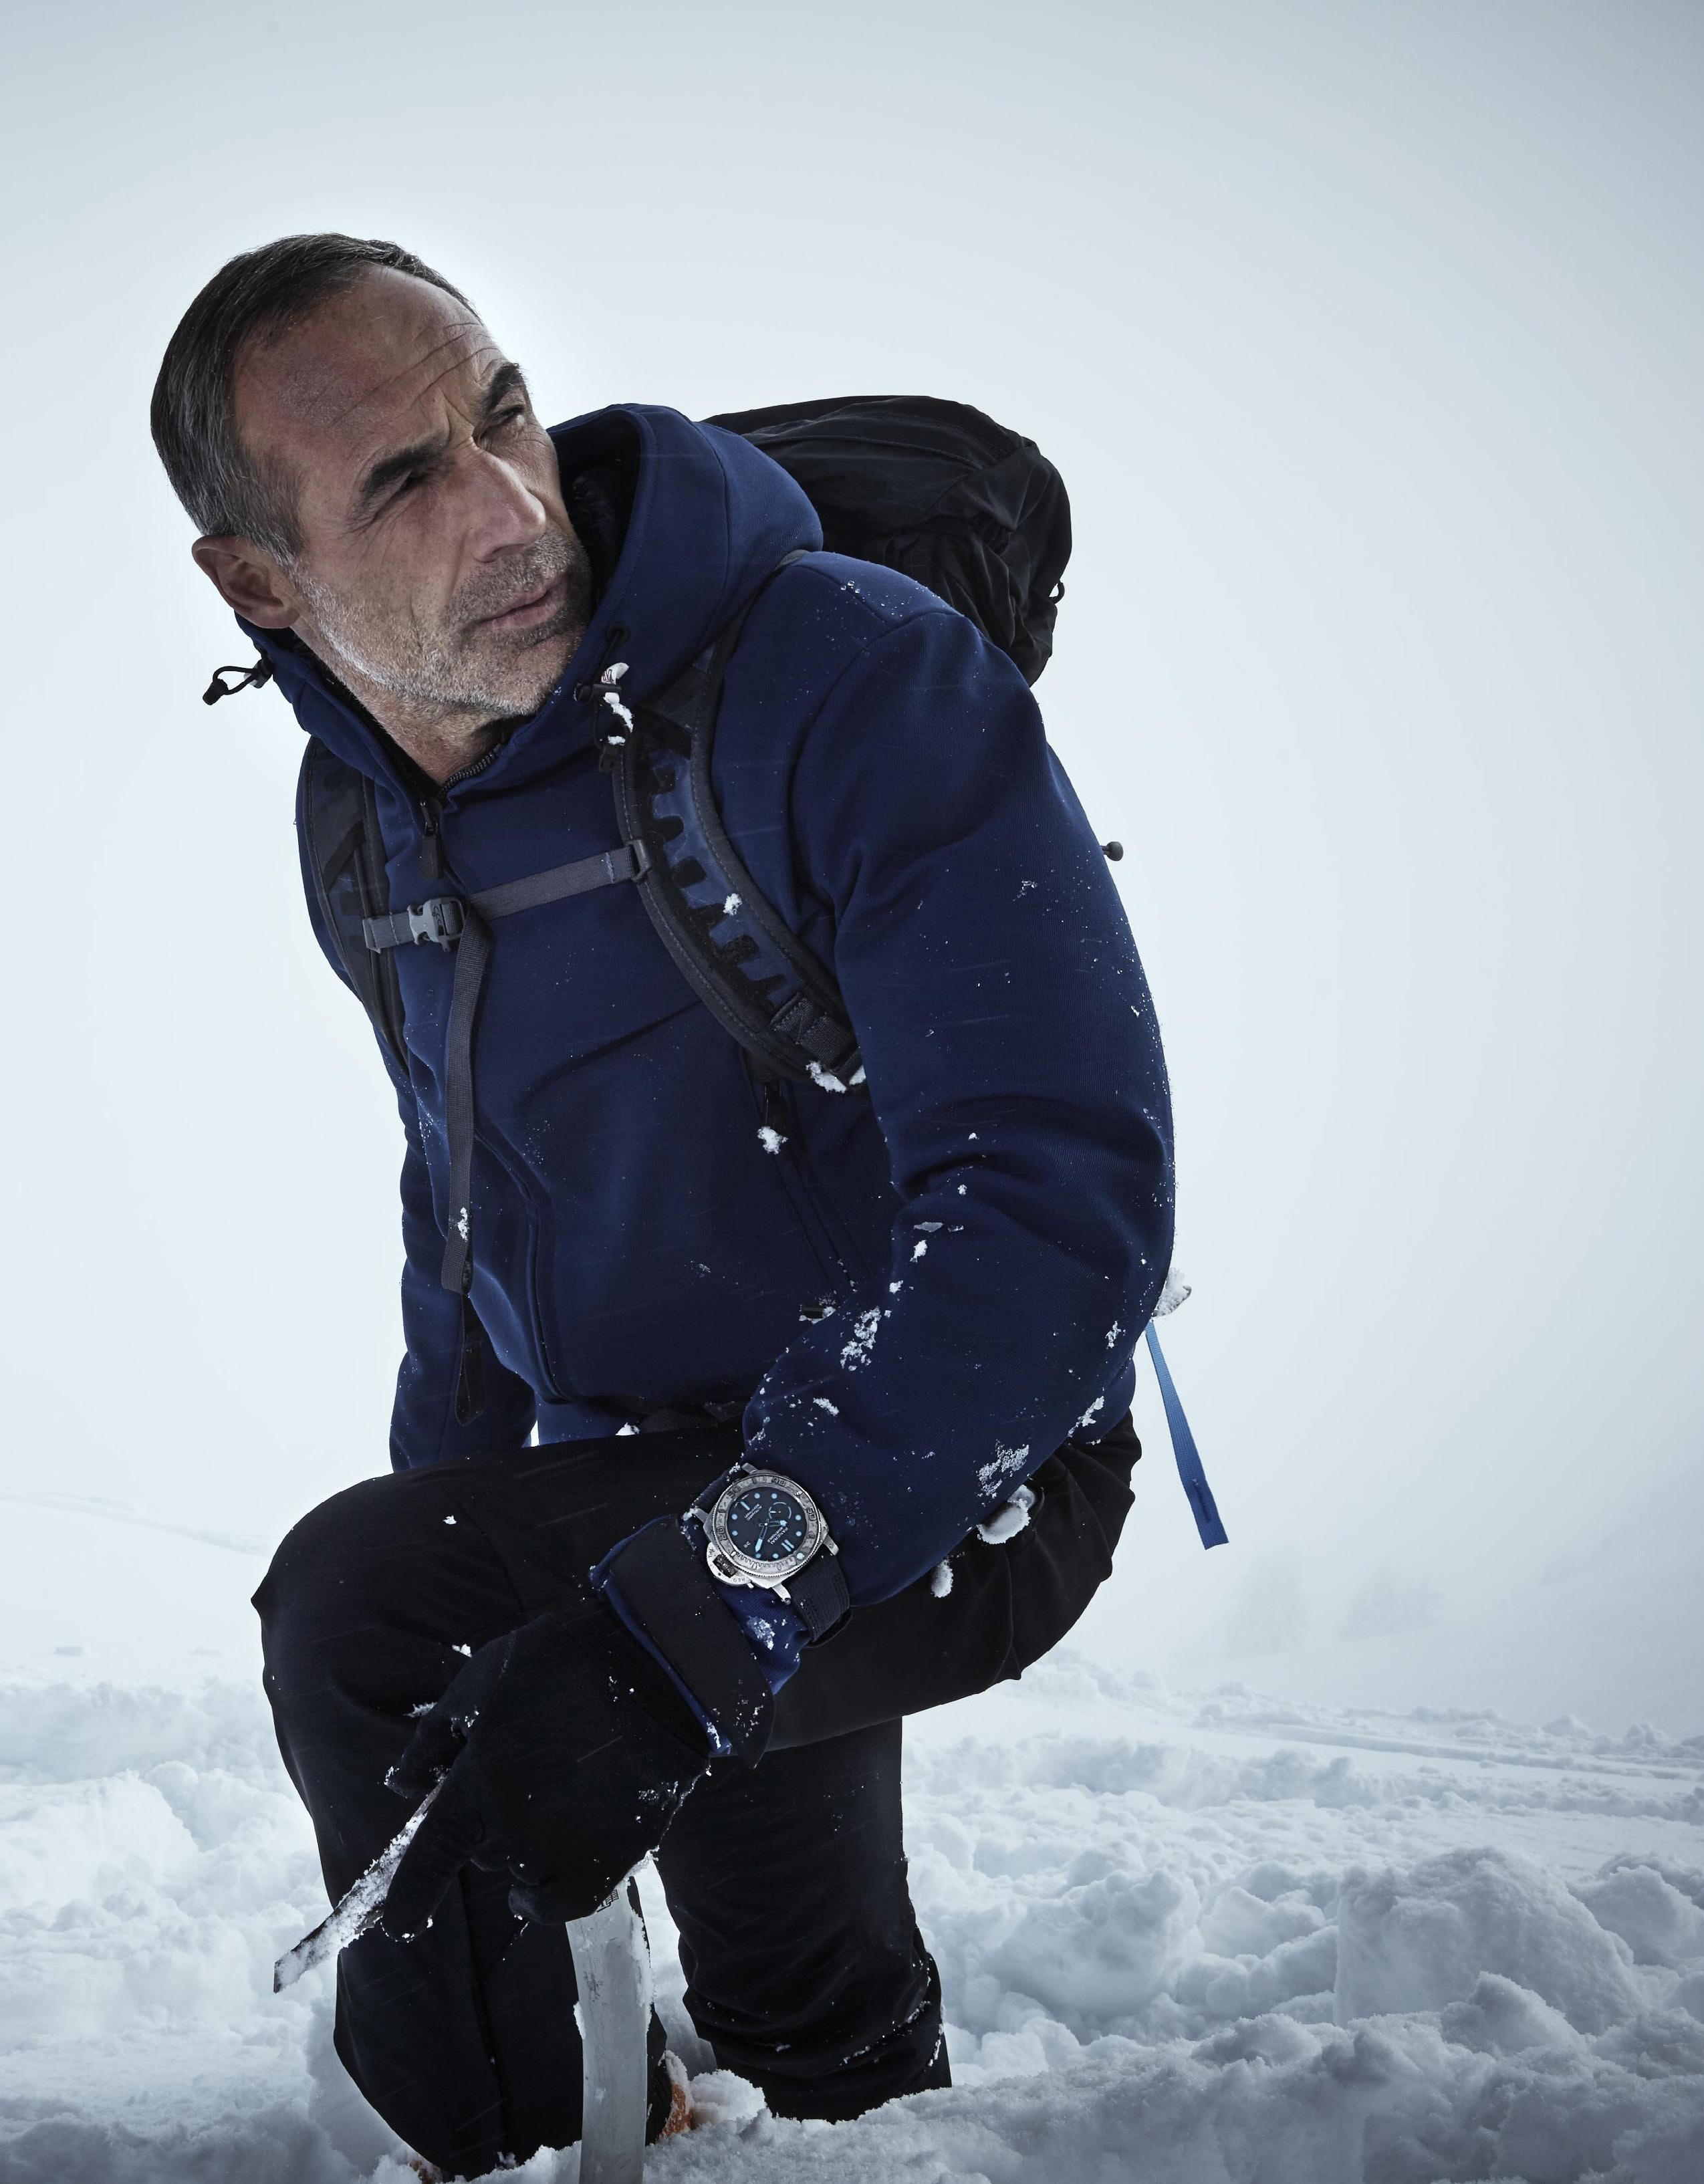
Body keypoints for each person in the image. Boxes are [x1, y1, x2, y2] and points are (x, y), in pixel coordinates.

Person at [150, 233, 1174, 2177]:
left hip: (971, 1452)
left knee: (372, 1612)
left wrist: (706, 1600)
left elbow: (1057, 1193)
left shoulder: (851, 675)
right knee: (803, 2016)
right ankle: (830, 2097)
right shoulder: (360, 817)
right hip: (649, 1460)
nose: (506, 507)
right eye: (403, 479)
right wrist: (475, 1524)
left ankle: (515, 2147)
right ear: (259, 582)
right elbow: (464, 1196)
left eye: (502, 416)